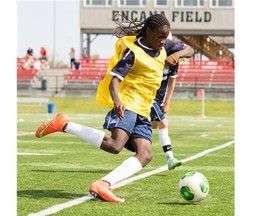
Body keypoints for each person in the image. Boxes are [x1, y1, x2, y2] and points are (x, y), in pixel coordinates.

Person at [35, 14, 191, 203]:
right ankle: (64, 125)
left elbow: (189, 49)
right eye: (159, 36)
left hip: (144, 108)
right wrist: (117, 101)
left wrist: (177, 55)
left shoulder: (165, 46)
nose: (163, 40)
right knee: (115, 146)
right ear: (149, 32)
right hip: (128, 103)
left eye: (165, 37)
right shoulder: (133, 52)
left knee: (146, 154)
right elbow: (114, 80)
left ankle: (103, 184)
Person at [151, 33, 194, 170]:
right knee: (163, 123)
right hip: (146, 95)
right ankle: (170, 158)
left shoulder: (174, 56)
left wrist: (167, 102)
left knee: (153, 125)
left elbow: (172, 80)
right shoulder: (151, 53)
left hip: (158, 98)